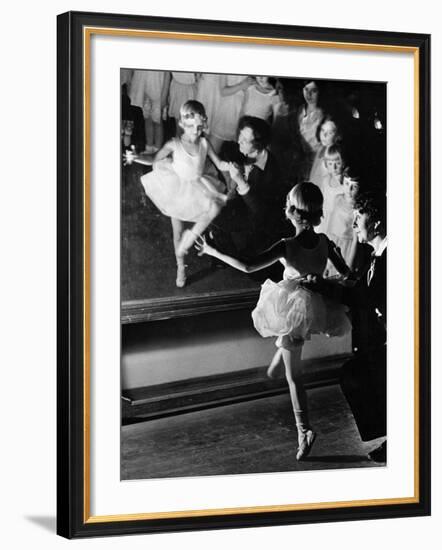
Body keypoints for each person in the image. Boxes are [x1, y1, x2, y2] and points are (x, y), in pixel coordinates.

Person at [196, 182, 352, 460]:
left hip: (294, 309)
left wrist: (213, 252)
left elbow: (247, 266)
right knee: (279, 365)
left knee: (294, 377)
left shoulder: (287, 246)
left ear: (292, 212)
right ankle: (272, 374)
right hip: (312, 305)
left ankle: (304, 430)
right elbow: (347, 274)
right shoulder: (325, 242)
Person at [303, 189, 387, 462]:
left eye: (358, 219)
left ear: (375, 222)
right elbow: (360, 287)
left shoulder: (392, 256)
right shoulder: (378, 255)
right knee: (359, 374)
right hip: (386, 340)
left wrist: (324, 286)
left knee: (359, 375)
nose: (353, 226)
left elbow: (363, 296)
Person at [125, 100, 230, 288]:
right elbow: (153, 159)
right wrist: (137, 157)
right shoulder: (174, 144)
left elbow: (218, 162)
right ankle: (180, 265)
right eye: (191, 127)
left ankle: (193, 241)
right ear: (182, 124)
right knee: (177, 231)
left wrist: (228, 166)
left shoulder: (204, 142)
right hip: (176, 188)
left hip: (199, 185)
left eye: (200, 127)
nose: (196, 131)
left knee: (214, 209)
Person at [209, 116, 287, 257]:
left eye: (245, 140)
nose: (239, 141)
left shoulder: (270, 171)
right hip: (242, 204)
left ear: (257, 146)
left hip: (259, 219)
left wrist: (240, 181)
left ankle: (233, 259)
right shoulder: (242, 151)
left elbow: (260, 211)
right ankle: (226, 253)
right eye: (240, 135)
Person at [129, 69, 171, 153]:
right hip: (146, 91)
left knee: (158, 121)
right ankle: (149, 148)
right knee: (148, 120)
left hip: (159, 90)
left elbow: (167, 75)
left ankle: (157, 150)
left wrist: (164, 96)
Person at [210, 74, 254, 153]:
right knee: (212, 151)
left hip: (244, 110)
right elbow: (223, 91)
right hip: (226, 109)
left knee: (238, 153)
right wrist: (242, 85)